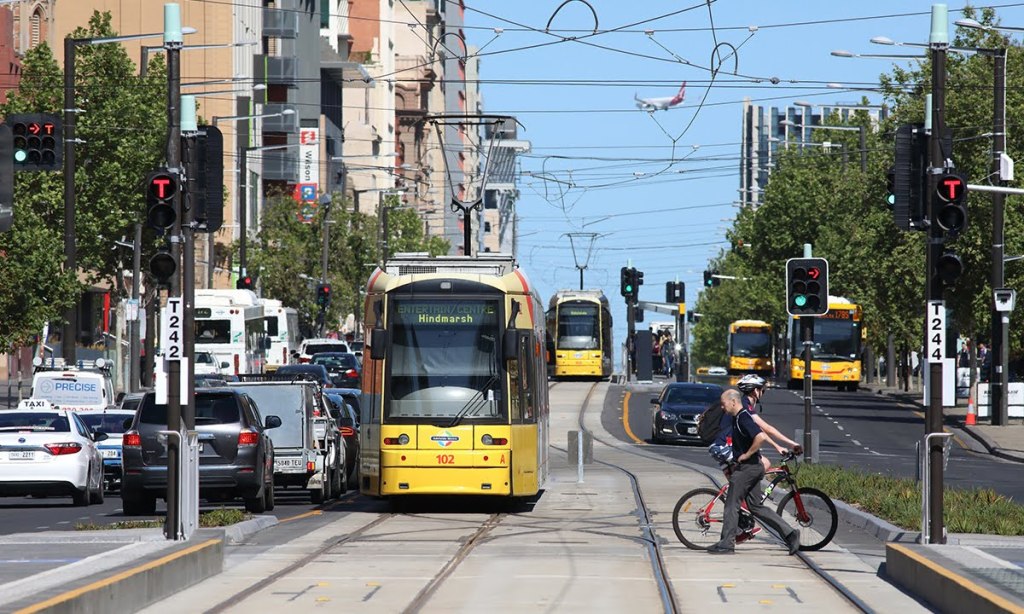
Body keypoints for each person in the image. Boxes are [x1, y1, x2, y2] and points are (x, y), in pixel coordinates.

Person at [707, 388, 801, 555]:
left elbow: (760, 436)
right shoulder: (737, 418)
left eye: (723, 404)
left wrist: (747, 454)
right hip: (753, 467)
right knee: (756, 506)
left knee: (731, 504)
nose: (722, 408)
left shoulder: (743, 417)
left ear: (733, 402)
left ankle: (727, 543)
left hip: (748, 468)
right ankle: (790, 533)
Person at [709, 374, 800, 473]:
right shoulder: (744, 406)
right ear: (755, 391)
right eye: (762, 390)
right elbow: (767, 428)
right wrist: (791, 444)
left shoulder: (745, 404)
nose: (763, 393)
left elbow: (759, 431)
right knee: (764, 464)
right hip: (724, 446)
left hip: (722, 445)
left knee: (741, 481)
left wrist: (778, 446)